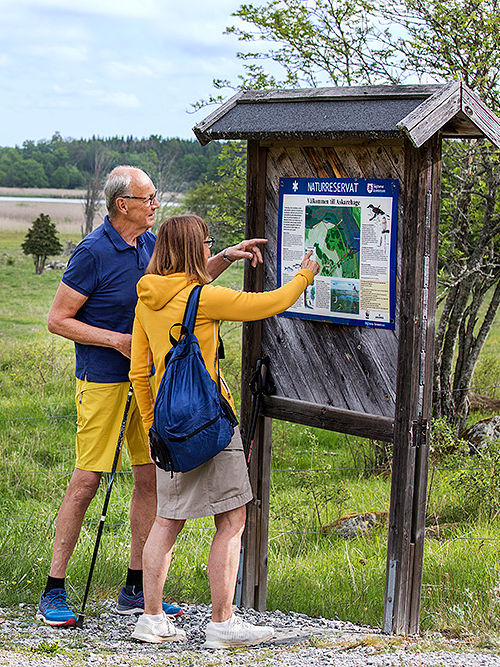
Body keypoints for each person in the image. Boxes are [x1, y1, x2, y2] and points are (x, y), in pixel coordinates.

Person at [40, 166, 269, 627]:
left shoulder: (150, 245)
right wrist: (117, 341)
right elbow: (58, 319)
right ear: (122, 204)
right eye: (147, 199)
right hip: (105, 379)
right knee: (88, 479)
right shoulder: (91, 253)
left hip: (154, 386)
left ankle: (135, 586)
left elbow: (186, 288)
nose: (155, 205)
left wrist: (223, 256)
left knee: (149, 479)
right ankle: (54, 589)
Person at [127, 214, 319, 648]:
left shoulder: (145, 298)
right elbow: (268, 304)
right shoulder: (204, 298)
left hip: (167, 428)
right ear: (196, 249)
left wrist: (152, 424)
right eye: (208, 243)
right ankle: (222, 623)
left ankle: (151, 618)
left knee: (166, 519)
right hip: (210, 424)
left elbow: (139, 371)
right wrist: (306, 274)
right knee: (232, 519)